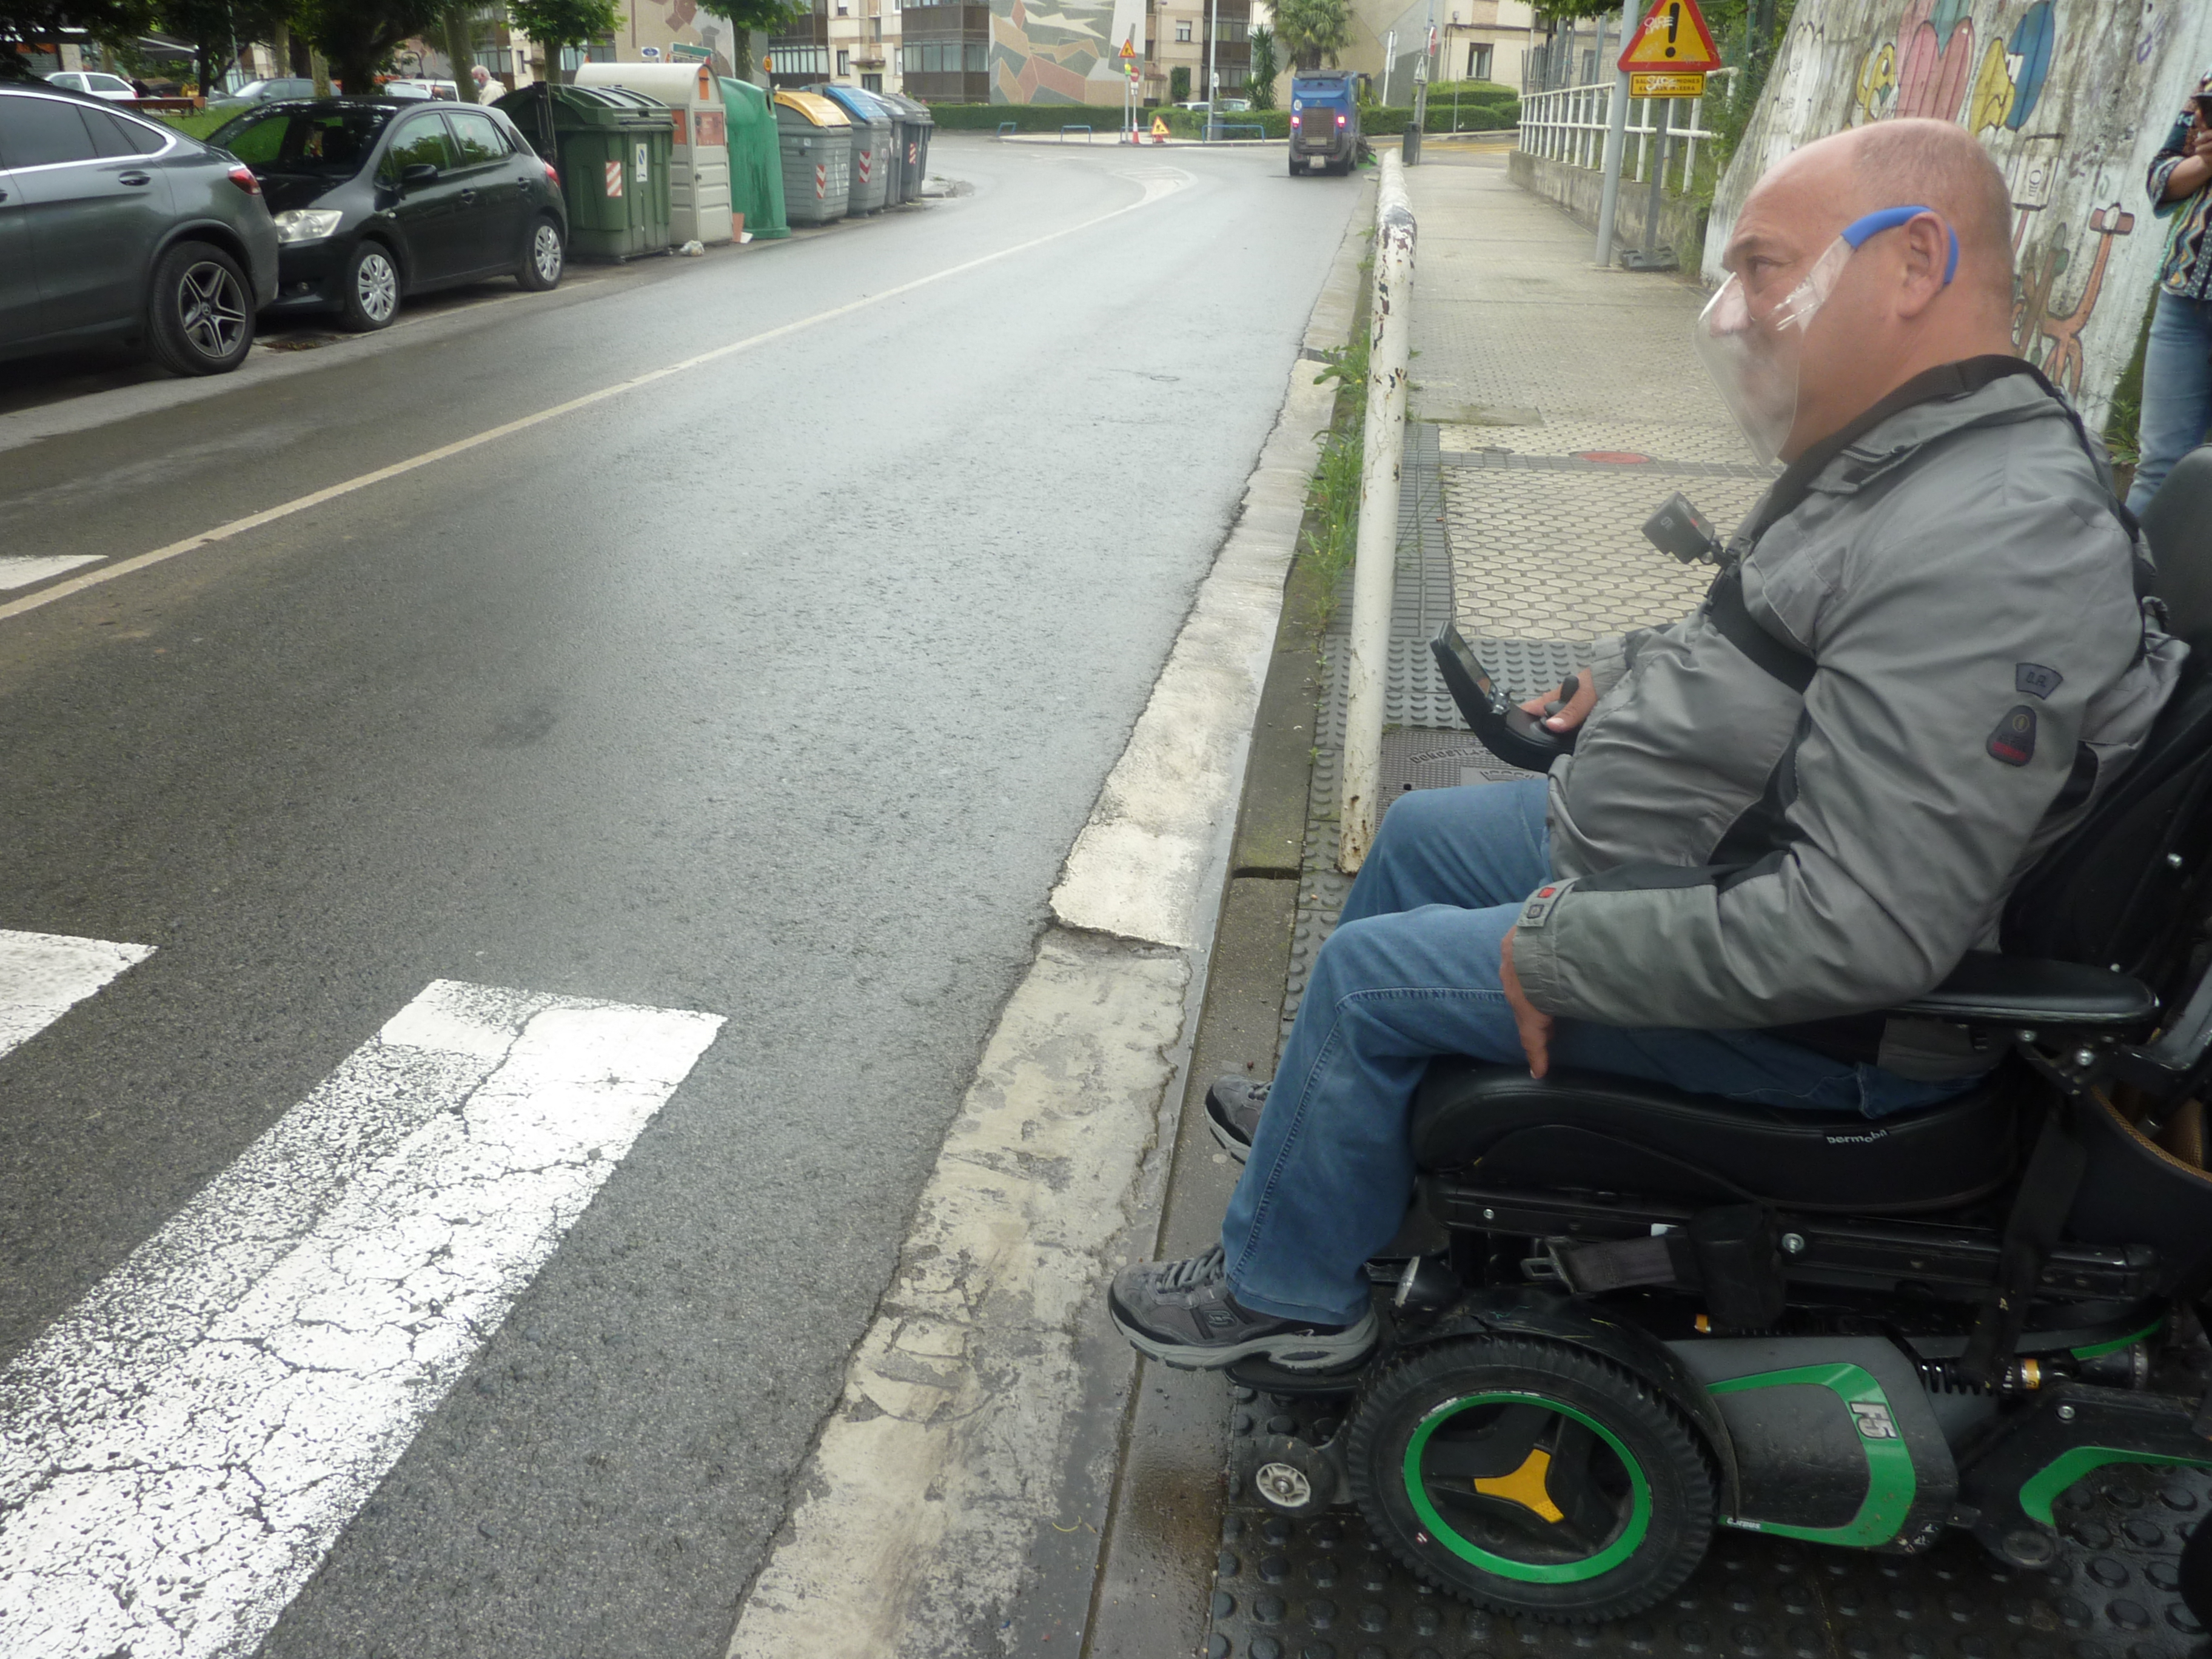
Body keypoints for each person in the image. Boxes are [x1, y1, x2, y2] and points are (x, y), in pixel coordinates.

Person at [1107, 118, 2185, 1372]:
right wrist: (1625, 682)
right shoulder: (1918, 448)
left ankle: (1291, 1293)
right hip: (1705, 857)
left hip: (1841, 1038)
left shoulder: (1992, 536)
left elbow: (1864, 929)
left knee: (1369, 984)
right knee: (1417, 836)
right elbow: (1793, 639)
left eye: (1765, 267)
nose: (1732, 307)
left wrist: (1553, 949)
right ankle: (1338, 1143)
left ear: (1913, 264)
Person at [2127, 72, 2212, 515]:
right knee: (2158, 469)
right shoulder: (2209, 80)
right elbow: (2160, 178)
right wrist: (2204, 164)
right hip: (2184, 300)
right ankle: (2121, 583)